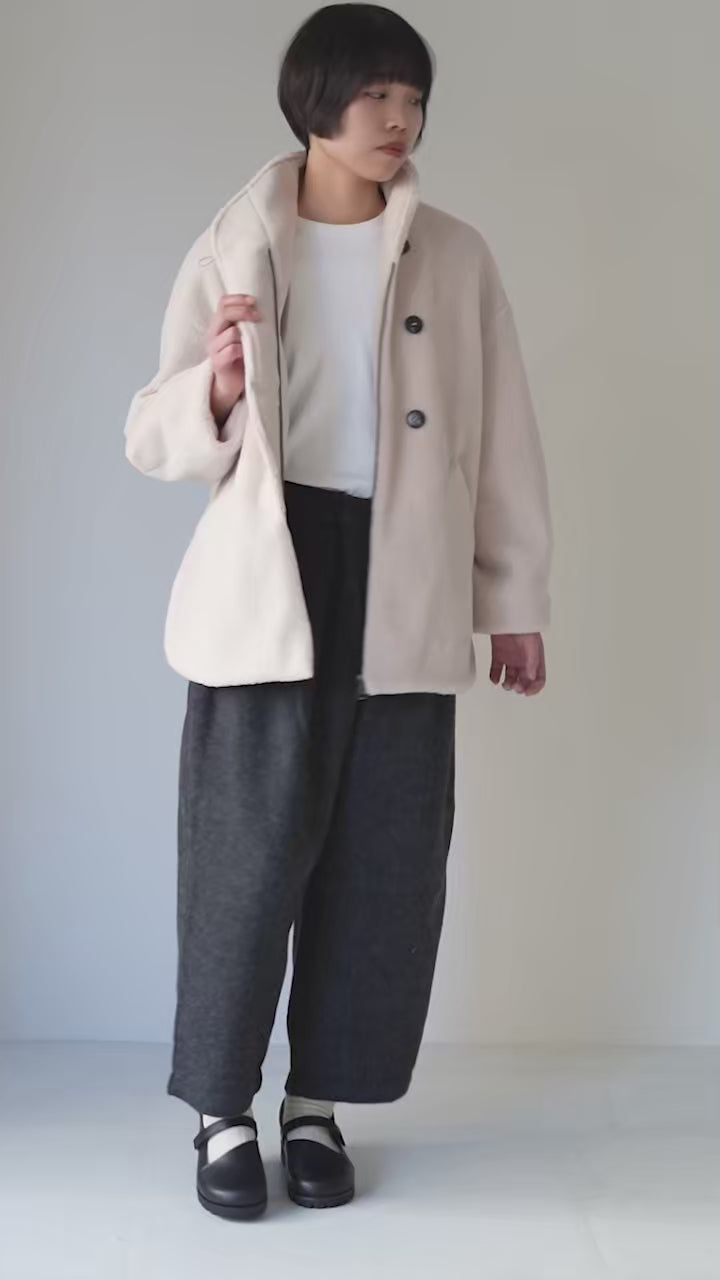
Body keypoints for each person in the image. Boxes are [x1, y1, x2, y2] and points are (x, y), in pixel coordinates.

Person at [123, 2, 553, 1220]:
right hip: (273, 571)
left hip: (409, 570)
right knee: (245, 859)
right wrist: (213, 390)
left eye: (414, 99)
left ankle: (316, 1103)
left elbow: (502, 436)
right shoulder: (236, 237)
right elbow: (152, 433)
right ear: (314, 100)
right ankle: (221, 1110)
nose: (399, 119)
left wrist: (513, 597)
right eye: (376, 95)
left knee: (386, 856)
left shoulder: (457, 255)